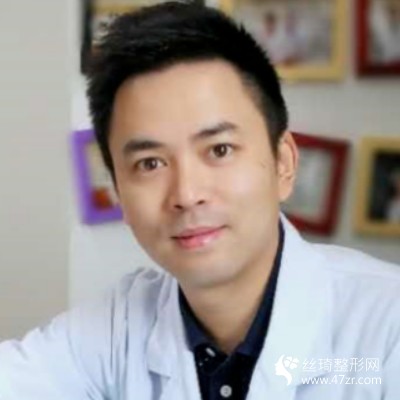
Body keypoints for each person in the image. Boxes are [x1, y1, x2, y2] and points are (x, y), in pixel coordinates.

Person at [0, 2, 399, 399]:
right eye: (150, 163)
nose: (187, 195)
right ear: (119, 193)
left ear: (284, 163)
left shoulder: (385, 330)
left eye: (220, 150)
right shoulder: (119, 327)